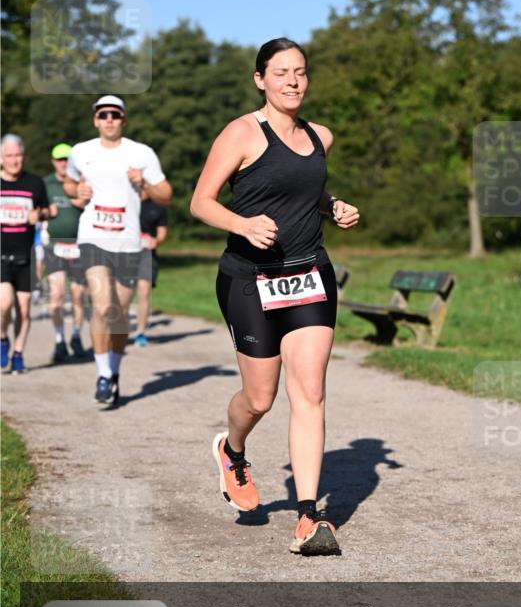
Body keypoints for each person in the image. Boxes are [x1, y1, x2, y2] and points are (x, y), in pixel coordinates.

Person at [191, 37, 359, 556]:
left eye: (301, 72)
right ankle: (232, 449)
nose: (293, 81)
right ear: (260, 79)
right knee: (260, 398)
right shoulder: (242, 132)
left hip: (309, 275)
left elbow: (302, 191)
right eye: (281, 72)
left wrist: (334, 206)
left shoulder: (320, 135)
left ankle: (309, 519)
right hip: (249, 279)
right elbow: (201, 202)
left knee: (309, 392)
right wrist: (242, 224)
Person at [64, 95, 172, 409]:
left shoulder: (141, 153)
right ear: (95, 120)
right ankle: (102, 374)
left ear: (123, 119)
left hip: (127, 242)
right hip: (93, 238)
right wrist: (77, 191)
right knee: (102, 307)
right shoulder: (81, 151)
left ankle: (113, 372)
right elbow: (70, 183)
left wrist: (145, 184)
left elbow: (165, 194)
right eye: (103, 114)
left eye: (115, 114)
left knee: (120, 317)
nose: (109, 119)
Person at [1, 134, 51, 373]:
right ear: (1, 158)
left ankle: (18, 354)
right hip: (1, 254)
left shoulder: (34, 183)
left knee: (24, 307)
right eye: (9, 155)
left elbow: (49, 210)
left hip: (26, 255)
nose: (14, 160)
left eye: (18, 155)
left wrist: (39, 216)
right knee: (4, 303)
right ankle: (2, 338)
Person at [43, 143, 88, 362]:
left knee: (79, 296)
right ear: (53, 162)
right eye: (60, 159)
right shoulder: (46, 184)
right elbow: (34, 210)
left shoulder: (82, 183)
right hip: (55, 246)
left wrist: (84, 201)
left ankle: (77, 336)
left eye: (67, 159)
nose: (64, 163)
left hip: (79, 246)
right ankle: (60, 339)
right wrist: (44, 212)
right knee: (57, 294)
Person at [133, 188, 168, 346]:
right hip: (125, 254)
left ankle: (140, 332)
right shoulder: (126, 201)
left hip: (147, 255)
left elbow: (162, 232)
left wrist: (157, 240)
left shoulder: (157, 207)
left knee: (144, 291)